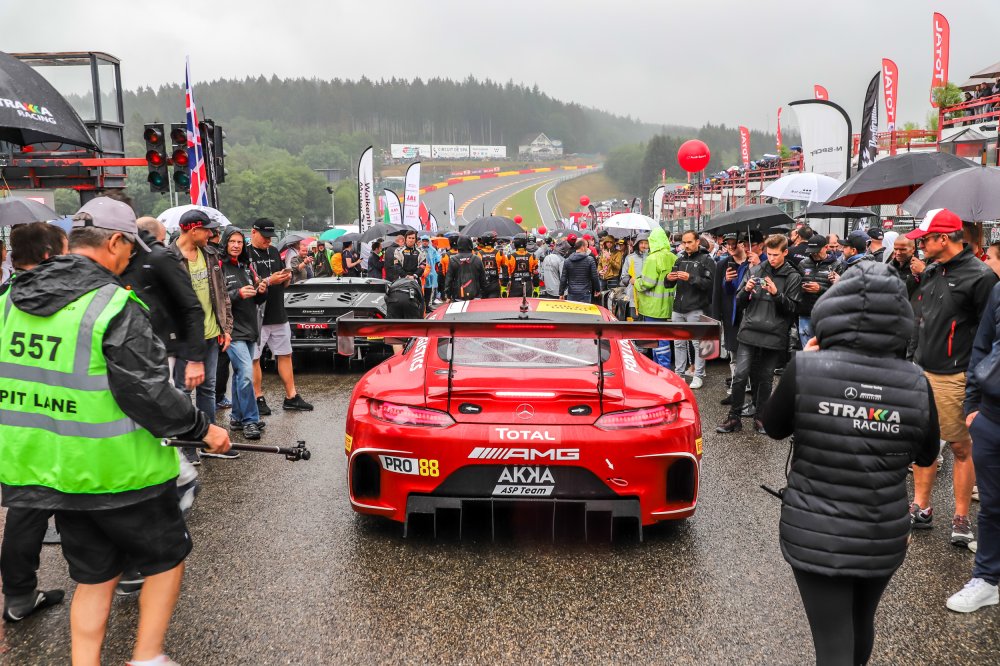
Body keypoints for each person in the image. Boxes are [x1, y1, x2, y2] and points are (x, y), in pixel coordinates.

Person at [0, 196, 231, 665]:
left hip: (51, 470)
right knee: (166, 559)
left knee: (93, 576)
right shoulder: (113, 305)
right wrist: (203, 430)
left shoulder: (8, 302)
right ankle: (146, 656)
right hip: (122, 472)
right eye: (129, 250)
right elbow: (149, 393)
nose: (129, 260)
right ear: (115, 242)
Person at [759, 262, 939, 666]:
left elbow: (771, 427)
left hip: (815, 529)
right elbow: (927, 455)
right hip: (882, 528)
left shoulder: (807, 367)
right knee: (860, 622)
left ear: (832, 309)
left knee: (832, 639)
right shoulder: (916, 381)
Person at [906, 208, 998, 547]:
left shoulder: (981, 277)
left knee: (960, 446)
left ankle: (961, 517)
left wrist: (979, 380)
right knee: (923, 444)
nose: (920, 246)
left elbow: (990, 333)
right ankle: (921, 507)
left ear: (944, 239)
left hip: (956, 375)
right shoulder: (932, 270)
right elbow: (920, 319)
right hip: (921, 369)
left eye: (925, 240)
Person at [1, 221, 68, 624]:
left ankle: (19, 596)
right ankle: (116, 578)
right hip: (71, 424)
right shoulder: (75, 300)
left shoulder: (3, 301)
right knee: (89, 507)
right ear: (48, 255)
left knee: (25, 513)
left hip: (16, 430)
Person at [948, 277, 1000, 612]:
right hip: (992, 416)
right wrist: (972, 405)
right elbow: (982, 346)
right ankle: (987, 579)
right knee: (993, 506)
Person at [717, 234, 801, 434]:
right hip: (750, 330)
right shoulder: (755, 269)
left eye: (776, 254)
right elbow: (739, 301)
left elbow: (792, 309)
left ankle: (761, 417)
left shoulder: (793, 276)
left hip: (774, 333)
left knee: (765, 378)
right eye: (769, 254)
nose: (771, 258)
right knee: (740, 375)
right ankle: (734, 417)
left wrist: (776, 294)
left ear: (785, 252)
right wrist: (745, 290)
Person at [169, 210, 235, 463]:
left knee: (208, 388)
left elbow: (223, 294)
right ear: (192, 230)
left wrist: (225, 328)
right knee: (184, 392)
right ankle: (188, 447)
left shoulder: (210, 254)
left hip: (211, 334)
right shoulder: (170, 257)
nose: (211, 234)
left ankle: (208, 442)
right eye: (207, 229)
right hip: (184, 339)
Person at [249, 218, 314, 414]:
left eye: (270, 237)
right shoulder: (246, 254)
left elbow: (283, 281)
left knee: (285, 354)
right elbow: (246, 284)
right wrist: (270, 280)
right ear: (253, 232)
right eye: (264, 236)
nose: (268, 240)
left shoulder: (274, 251)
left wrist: (286, 278)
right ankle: (257, 397)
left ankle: (291, 396)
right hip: (257, 314)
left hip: (278, 311)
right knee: (254, 358)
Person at [220, 226, 267, 440]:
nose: (236, 245)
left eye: (240, 242)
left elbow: (257, 298)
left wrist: (262, 291)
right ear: (225, 243)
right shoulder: (219, 266)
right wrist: (237, 293)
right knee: (247, 373)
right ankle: (250, 420)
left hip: (250, 328)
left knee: (241, 375)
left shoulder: (247, 266)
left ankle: (238, 418)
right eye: (232, 241)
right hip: (232, 330)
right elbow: (217, 299)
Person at [666, 230, 715, 389]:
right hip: (678, 307)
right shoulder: (679, 258)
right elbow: (669, 284)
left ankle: (698, 375)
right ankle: (679, 374)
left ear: (697, 242)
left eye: (689, 242)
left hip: (696, 307)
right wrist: (668, 278)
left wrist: (691, 278)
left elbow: (709, 284)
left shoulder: (706, 259)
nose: (686, 245)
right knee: (678, 343)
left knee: (698, 343)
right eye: (684, 242)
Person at [796, 234, 840, 348]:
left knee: (825, 349)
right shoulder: (803, 264)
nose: (814, 254)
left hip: (826, 315)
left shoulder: (836, 265)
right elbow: (795, 286)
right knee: (807, 349)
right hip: (806, 313)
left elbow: (841, 291)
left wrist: (820, 289)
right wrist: (801, 288)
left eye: (817, 251)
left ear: (826, 247)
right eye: (812, 251)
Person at [444, 236, 486, 301]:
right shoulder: (477, 259)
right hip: (476, 296)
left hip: (458, 296)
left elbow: (449, 279)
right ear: (470, 244)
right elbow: (483, 279)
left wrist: (448, 295)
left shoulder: (453, 260)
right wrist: (484, 293)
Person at [559, 239, 601, 303]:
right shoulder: (590, 260)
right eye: (586, 246)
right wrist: (597, 289)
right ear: (582, 247)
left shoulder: (567, 261)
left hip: (572, 292)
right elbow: (594, 276)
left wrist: (561, 293)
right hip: (585, 292)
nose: (587, 248)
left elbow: (563, 278)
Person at [619, 235, 649, 320]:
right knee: (635, 318)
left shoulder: (652, 257)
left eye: (646, 243)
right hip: (634, 294)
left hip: (648, 295)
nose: (643, 245)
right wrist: (629, 280)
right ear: (637, 244)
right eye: (641, 243)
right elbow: (624, 276)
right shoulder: (630, 258)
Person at [505, 234, 539, 298]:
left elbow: (506, 275)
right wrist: (536, 288)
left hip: (514, 286)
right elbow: (536, 274)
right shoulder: (532, 257)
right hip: (528, 286)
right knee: (528, 303)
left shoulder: (509, 257)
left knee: (513, 304)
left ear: (515, 244)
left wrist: (504, 288)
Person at [476, 232, 505, 298]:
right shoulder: (500, 253)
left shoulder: (478, 254)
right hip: (495, 285)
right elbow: (505, 269)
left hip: (482, 285)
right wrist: (504, 285)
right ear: (494, 242)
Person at [419, 235, 440, 304]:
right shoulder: (418, 249)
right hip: (422, 271)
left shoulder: (432, 250)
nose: (425, 242)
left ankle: (429, 303)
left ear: (428, 242)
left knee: (431, 288)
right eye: (423, 241)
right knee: (422, 288)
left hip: (431, 271)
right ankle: (422, 304)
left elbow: (438, 259)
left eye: (426, 241)